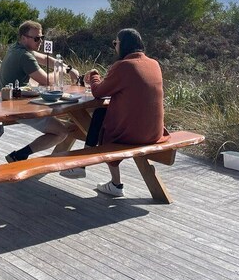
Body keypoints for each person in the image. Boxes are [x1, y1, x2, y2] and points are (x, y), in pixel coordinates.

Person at [62, 28, 168, 197]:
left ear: (123, 45)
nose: (114, 47)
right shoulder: (154, 64)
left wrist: (94, 75)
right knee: (100, 115)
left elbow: (98, 92)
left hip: (134, 135)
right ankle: (111, 183)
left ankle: (83, 166)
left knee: (100, 120)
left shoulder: (124, 66)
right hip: (154, 132)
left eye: (115, 43)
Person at [0, 20, 80, 163]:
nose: (40, 41)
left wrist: (69, 69)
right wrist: (60, 70)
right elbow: (47, 81)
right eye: (36, 38)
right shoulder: (25, 56)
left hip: (9, 100)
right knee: (62, 131)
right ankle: (20, 155)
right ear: (24, 38)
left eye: (41, 38)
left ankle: (22, 155)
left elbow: (46, 59)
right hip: (17, 106)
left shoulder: (16, 48)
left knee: (70, 122)